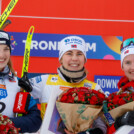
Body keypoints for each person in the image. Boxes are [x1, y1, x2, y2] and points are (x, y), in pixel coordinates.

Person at [30, 35, 107, 134]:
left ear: (84, 59)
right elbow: (16, 93)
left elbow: (107, 120)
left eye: (79, 54)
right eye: (69, 53)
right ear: (61, 59)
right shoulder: (45, 81)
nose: (74, 58)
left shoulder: (95, 88)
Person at [0, 30, 42, 133]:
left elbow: (35, 120)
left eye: (6, 49)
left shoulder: (18, 84)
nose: (2, 55)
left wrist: (7, 124)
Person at [107, 38, 134, 133]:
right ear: (122, 66)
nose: (132, 67)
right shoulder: (115, 97)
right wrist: (118, 123)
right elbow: (108, 124)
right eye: (128, 62)